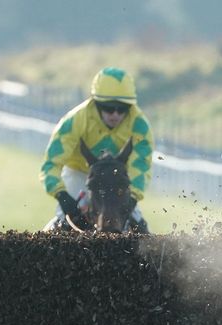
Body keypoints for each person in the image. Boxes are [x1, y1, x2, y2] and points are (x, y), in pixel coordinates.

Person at [39, 67, 153, 233]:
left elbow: (141, 168)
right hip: (80, 174)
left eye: (122, 109)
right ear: (96, 103)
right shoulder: (75, 120)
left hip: (117, 180)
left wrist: (133, 197)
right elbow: (50, 164)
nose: (115, 114)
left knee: (138, 224)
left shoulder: (140, 125)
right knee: (63, 221)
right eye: (108, 108)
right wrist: (62, 195)